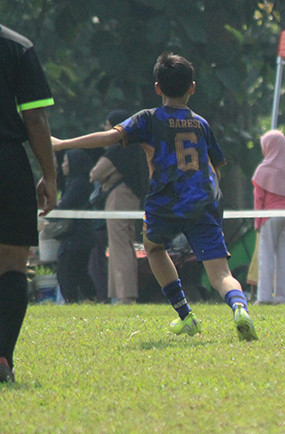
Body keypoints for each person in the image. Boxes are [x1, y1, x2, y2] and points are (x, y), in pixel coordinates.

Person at [52, 52, 258, 341]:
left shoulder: (149, 119)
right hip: (205, 199)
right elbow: (215, 167)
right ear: (193, 88)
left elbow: (109, 137)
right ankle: (239, 307)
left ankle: (186, 315)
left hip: (167, 200)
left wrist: (63, 144)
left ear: (158, 88)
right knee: (220, 272)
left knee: (154, 247)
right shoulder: (201, 124)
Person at [0, 15, 58, 383]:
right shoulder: (17, 47)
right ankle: (2, 357)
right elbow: (34, 118)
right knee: (12, 262)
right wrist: (49, 174)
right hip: (7, 162)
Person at [90, 109, 148, 304]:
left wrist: (110, 177)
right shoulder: (136, 147)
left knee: (119, 246)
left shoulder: (119, 148)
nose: (105, 129)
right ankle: (121, 293)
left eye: (107, 125)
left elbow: (95, 174)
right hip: (132, 198)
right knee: (125, 245)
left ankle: (125, 295)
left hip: (118, 198)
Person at [252, 129, 285, 305]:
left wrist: (257, 223)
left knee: (267, 256)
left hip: (270, 216)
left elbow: (259, 199)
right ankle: (284, 297)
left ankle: (263, 297)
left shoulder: (263, 170)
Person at [54, 149, 98, 303]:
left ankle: (72, 301)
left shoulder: (78, 183)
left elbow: (64, 206)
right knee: (80, 272)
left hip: (77, 235)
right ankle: (89, 299)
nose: (63, 165)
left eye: (66, 161)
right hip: (81, 235)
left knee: (65, 271)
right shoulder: (77, 183)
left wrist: (57, 206)